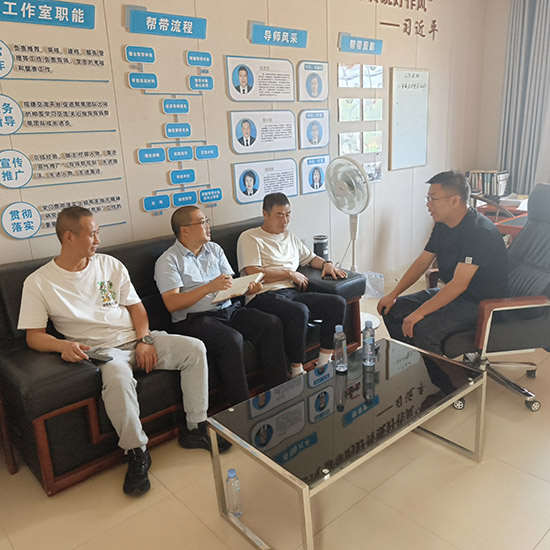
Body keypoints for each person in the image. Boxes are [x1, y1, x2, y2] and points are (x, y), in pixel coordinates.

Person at [17, 207, 230, 497]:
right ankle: (137, 451)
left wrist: (145, 340)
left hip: (136, 337)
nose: (98, 240)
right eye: (92, 234)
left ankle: (195, 428)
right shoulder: (40, 282)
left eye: (98, 233)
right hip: (102, 351)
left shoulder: (109, 264)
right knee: (117, 377)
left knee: (194, 349)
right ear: (69, 237)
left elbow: (136, 308)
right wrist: (62, 345)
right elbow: (34, 336)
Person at [154, 206, 288, 406]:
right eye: (202, 222)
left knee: (270, 323)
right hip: (194, 319)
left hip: (227, 309)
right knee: (231, 339)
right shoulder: (168, 260)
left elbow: (230, 285)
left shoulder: (214, 249)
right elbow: (172, 303)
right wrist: (208, 288)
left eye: (207, 221)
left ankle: (279, 392)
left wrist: (248, 288)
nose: (208, 226)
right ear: (185, 230)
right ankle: (240, 406)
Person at [377, 170, 508, 357]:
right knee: (392, 309)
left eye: (433, 199)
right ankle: (415, 361)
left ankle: (442, 375)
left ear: (454, 200)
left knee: (424, 328)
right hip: (456, 296)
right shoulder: (442, 224)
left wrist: (420, 313)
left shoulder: (479, 232)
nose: (428, 204)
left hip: (481, 304)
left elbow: (459, 284)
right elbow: (422, 262)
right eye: (428, 198)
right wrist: (393, 294)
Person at [237, 193, 347, 378]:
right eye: (279, 215)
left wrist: (326, 264)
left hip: (291, 293)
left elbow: (310, 258)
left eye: (288, 214)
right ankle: (297, 371)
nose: (285, 220)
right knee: (299, 311)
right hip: (263, 295)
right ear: (265, 214)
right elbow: (253, 272)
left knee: (337, 303)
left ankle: (323, 364)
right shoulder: (250, 237)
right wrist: (288, 273)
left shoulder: (289, 236)